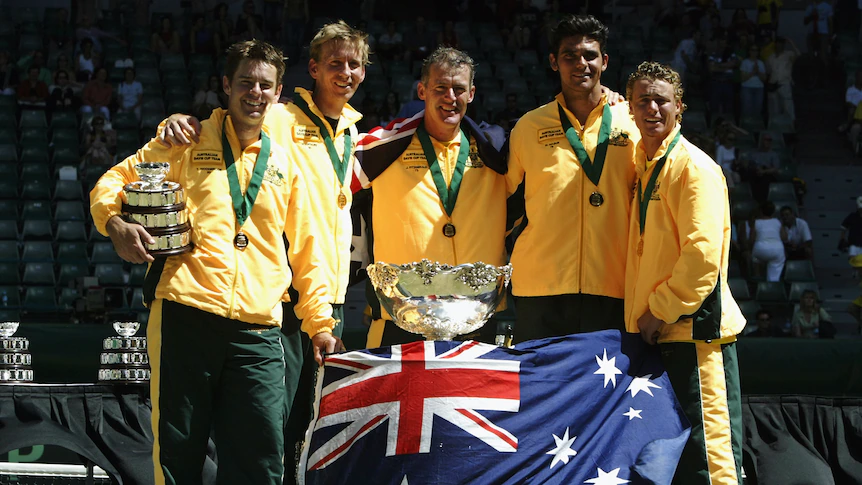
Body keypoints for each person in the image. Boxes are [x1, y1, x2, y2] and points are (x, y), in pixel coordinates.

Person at [90, 40, 341, 485]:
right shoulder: (185, 140)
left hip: (260, 329)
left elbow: (308, 248)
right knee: (178, 453)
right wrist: (114, 223)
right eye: (246, 82)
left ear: (279, 93)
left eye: (266, 85)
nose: (255, 93)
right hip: (186, 315)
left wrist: (319, 321)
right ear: (227, 85)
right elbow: (116, 180)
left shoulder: (286, 164)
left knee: (261, 459)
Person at [155, 22, 368, 485]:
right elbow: (222, 125)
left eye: (354, 64)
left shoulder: (355, 132)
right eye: (335, 63)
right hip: (275, 296)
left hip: (318, 297)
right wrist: (174, 120)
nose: (345, 72)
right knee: (263, 432)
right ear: (311, 69)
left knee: (286, 431)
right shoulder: (278, 116)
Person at [624, 61, 745, 485]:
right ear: (630, 109)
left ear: (680, 108)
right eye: (643, 101)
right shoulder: (645, 165)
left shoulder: (694, 167)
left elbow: (702, 257)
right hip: (662, 334)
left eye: (662, 100)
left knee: (712, 462)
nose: (652, 108)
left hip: (695, 334)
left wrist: (660, 310)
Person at [353, 47, 507, 348]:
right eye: (440, 88)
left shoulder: (496, 151)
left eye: (459, 89)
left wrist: (611, 101)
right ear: (422, 90)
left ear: (472, 93)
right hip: (400, 315)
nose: (450, 97)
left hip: (477, 315)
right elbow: (328, 156)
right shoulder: (383, 147)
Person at [506, 15, 638, 341]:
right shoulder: (529, 126)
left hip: (615, 284)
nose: (581, 64)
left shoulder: (633, 121)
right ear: (554, 62)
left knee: (604, 392)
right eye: (569, 56)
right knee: (541, 391)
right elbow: (502, 200)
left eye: (590, 55)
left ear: (604, 62)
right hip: (540, 288)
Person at [750, 200, 787, 281]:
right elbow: (784, 237)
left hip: (760, 249)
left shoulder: (756, 222)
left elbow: (752, 239)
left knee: (755, 259)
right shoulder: (777, 222)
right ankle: (772, 284)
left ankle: (757, 280)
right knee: (774, 277)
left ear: (760, 211)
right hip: (777, 249)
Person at [765, 36, 798, 128]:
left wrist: (790, 42)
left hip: (785, 83)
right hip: (773, 85)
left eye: (781, 43)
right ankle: (774, 128)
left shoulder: (789, 54)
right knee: (773, 109)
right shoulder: (770, 57)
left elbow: (798, 54)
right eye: (778, 43)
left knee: (788, 108)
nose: (779, 45)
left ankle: (791, 129)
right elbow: (768, 71)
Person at [739, 45, 766, 118]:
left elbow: (764, 78)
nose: (754, 52)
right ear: (749, 51)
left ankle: (756, 126)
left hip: (759, 88)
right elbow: (743, 78)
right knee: (747, 108)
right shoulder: (745, 62)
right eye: (752, 50)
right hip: (747, 87)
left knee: (758, 109)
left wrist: (758, 72)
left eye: (756, 50)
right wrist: (753, 72)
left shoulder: (761, 63)